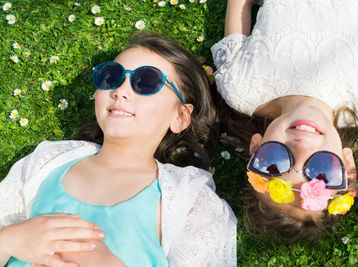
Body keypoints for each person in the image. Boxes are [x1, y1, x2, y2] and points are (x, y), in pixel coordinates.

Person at [0, 33, 237, 266]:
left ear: (180, 117)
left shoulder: (191, 200)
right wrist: (8, 241)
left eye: (146, 82)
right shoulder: (47, 162)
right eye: (112, 77)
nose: (120, 91)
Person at [211, 0, 358, 241]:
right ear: (347, 165)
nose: (301, 146)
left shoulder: (238, 87)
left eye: (276, 164)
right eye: (321, 172)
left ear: (255, 148)